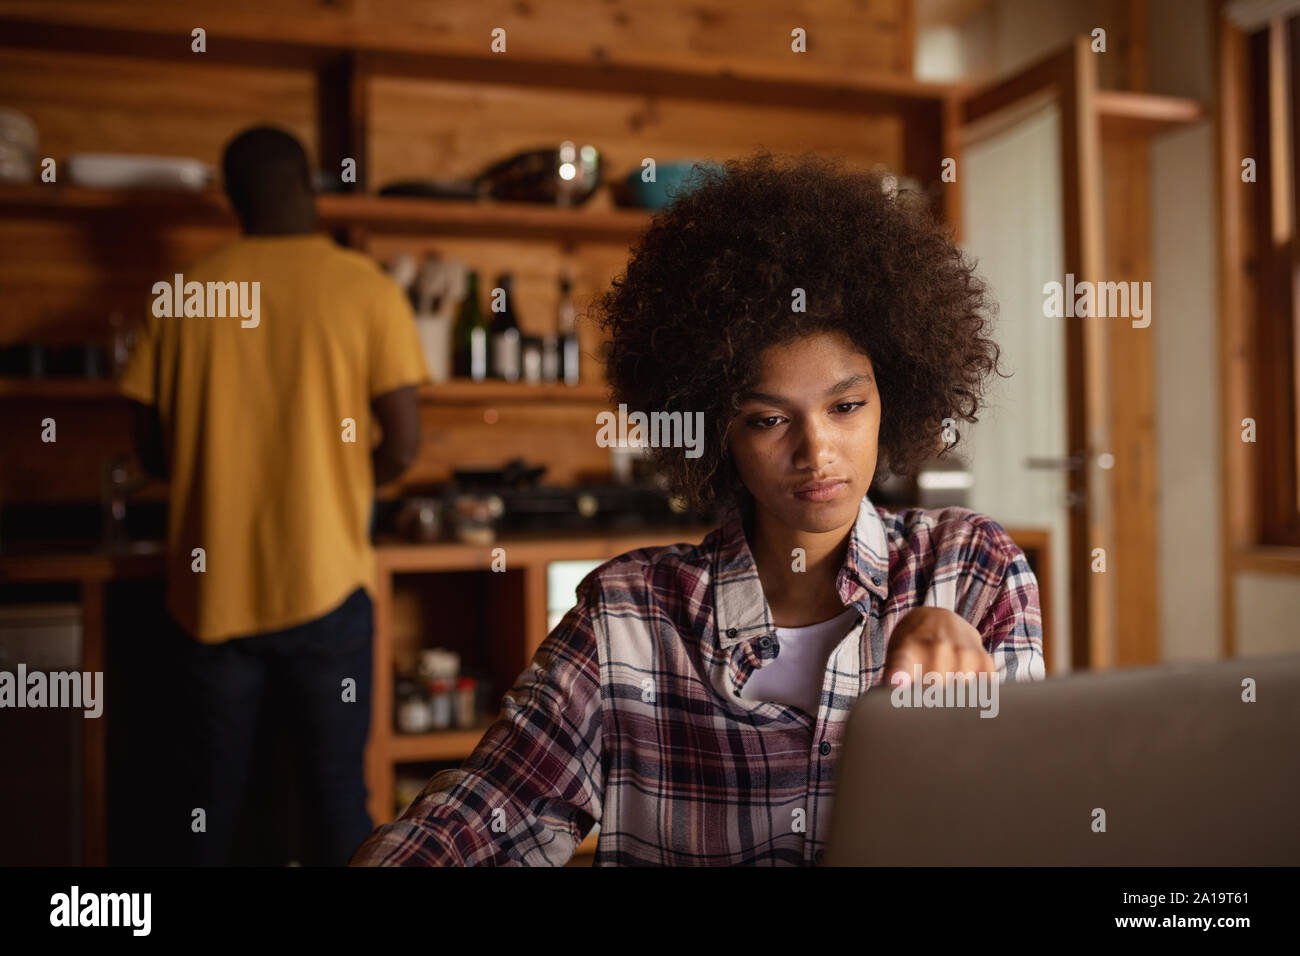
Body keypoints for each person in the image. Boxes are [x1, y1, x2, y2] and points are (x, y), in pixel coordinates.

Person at [349, 149, 1045, 867]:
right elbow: (489, 809)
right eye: (769, 419)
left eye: (845, 406)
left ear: (890, 400)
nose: (818, 450)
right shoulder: (629, 616)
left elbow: (1023, 829)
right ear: (718, 431)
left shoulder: (972, 571)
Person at [119, 125, 430, 865]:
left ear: (232, 199)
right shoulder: (364, 288)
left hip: (212, 594)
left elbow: (152, 451)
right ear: (309, 186)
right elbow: (406, 444)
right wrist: (349, 473)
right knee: (335, 802)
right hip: (326, 587)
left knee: (206, 808)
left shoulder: (185, 293)